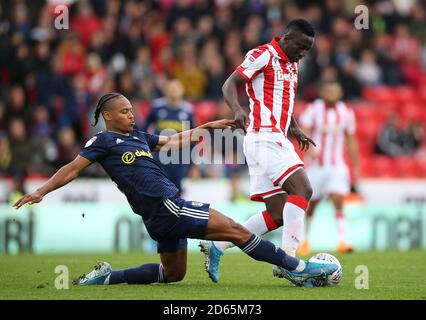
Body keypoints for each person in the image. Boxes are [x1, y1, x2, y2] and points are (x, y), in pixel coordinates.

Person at [13, 92, 337, 287]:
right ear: (108, 116)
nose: (131, 114)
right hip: (166, 204)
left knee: (172, 275)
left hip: (158, 215)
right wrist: (42, 190)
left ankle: (108, 276)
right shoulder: (103, 141)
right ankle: (297, 268)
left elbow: (172, 141)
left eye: (131, 110)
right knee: (237, 232)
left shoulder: (139, 137)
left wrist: (206, 128)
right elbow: (72, 168)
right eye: (125, 111)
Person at [201, 19, 317, 283]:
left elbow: (282, 100)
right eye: (301, 46)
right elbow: (228, 84)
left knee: (276, 214)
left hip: (271, 137)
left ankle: (217, 246)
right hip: (265, 137)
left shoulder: (293, 63)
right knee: (303, 190)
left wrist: (294, 127)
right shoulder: (262, 54)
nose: (303, 53)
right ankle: (290, 261)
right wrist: (238, 110)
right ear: (286, 38)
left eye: (307, 49)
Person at [298, 80, 360, 255]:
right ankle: (305, 241)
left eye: (335, 90)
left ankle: (343, 241)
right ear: (322, 92)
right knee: (312, 204)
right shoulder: (313, 109)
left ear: (340, 93)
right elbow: (305, 131)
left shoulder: (346, 112)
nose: (332, 94)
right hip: (316, 166)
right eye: (328, 90)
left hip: (336, 165)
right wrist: (309, 149)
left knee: (338, 199)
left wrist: (356, 166)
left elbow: (351, 139)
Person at [143, 79, 195, 192]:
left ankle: (176, 209)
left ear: (182, 91)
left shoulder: (188, 111)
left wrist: (193, 163)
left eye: (176, 89)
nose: (173, 92)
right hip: (160, 155)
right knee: (160, 188)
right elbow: (145, 129)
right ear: (166, 91)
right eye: (171, 89)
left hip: (180, 157)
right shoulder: (156, 107)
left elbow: (193, 137)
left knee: (177, 190)